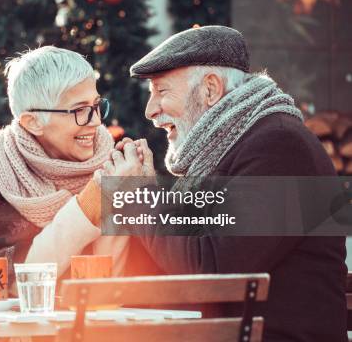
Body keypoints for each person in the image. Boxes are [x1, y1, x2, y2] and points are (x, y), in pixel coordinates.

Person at [100, 26, 347, 341]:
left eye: (161, 91)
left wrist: (138, 195)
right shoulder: (227, 149)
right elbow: (170, 259)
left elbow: (211, 271)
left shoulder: (279, 146)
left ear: (210, 89)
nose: (151, 110)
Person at [0, 46, 140, 308]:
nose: (95, 122)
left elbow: (114, 288)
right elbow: (6, 287)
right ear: (33, 122)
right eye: (80, 110)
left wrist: (131, 194)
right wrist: (93, 201)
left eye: (96, 106)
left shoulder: (120, 163)